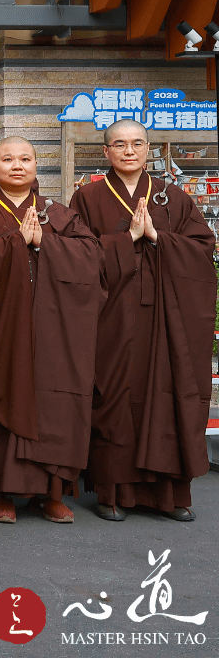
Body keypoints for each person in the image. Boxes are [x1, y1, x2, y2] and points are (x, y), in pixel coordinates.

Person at [68, 120, 217, 522]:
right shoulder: (87, 197)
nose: (129, 151)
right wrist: (126, 240)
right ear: (106, 152)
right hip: (111, 315)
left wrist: (158, 239)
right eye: (119, 144)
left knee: (167, 397)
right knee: (114, 397)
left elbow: (203, 250)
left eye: (137, 144)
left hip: (165, 318)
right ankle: (111, 493)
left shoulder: (173, 197)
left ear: (149, 148)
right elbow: (73, 253)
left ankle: (169, 495)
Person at [0, 138, 102, 524]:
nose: (17, 166)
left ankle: (51, 493)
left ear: (37, 166)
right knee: (0, 398)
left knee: (53, 405)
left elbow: (91, 258)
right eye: (7, 159)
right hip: (0, 328)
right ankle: (0, 492)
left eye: (26, 159)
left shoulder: (56, 213)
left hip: (52, 330)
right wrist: (15, 242)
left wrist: (45, 243)